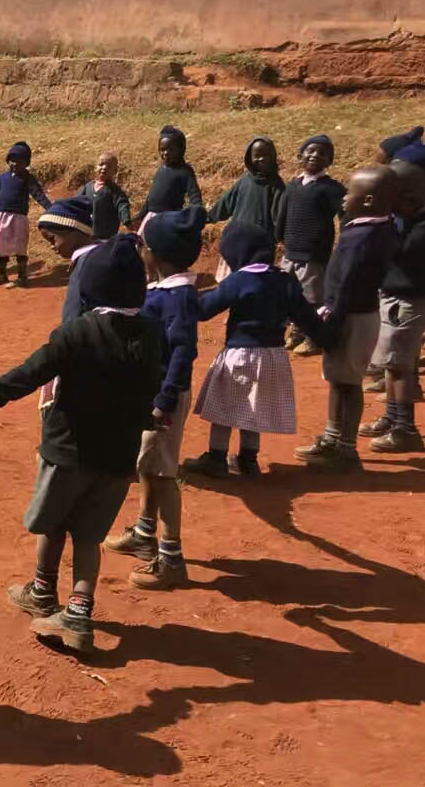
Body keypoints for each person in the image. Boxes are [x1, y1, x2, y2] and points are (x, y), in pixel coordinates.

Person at [0, 237, 165, 654]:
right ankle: (80, 615)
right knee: (88, 537)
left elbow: (25, 376)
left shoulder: (77, 333)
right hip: (119, 459)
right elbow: (149, 392)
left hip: (68, 452)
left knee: (53, 523)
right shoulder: (152, 335)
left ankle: (42, 591)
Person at [104, 207, 204, 591]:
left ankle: (172, 558)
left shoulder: (177, 296)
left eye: (143, 243)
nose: (139, 249)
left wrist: (164, 400)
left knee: (162, 475)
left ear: (157, 252)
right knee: (147, 465)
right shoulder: (163, 290)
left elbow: (183, 352)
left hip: (164, 397)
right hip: (152, 393)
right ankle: (145, 534)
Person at [182, 221, 330, 478]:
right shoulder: (285, 281)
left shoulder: (238, 280)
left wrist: (185, 295)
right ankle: (248, 460)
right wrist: (328, 338)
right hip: (273, 356)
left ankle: (216, 457)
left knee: (224, 407)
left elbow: (205, 311)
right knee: (254, 407)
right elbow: (306, 318)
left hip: (240, 354)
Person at [295, 167, 399, 471]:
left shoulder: (362, 237)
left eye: (349, 193)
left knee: (348, 384)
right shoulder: (379, 227)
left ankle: (346, 450)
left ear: (367, 200)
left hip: (350, 318)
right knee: (340, 381)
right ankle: (332, 439)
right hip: (357, 315)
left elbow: (345, 285)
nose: (343, 199)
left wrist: (329, 323)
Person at [360, 149, 425, 453]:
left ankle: (405, 429)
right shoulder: (411, 215)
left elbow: (402, 255)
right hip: (397, 297)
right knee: (393, 363)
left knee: (399, 366)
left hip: (411, 300)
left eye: (399, 195)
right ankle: (392, 417)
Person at [276, 135, 347, 353]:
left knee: (312, 298)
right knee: (288, 295)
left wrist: (346, 241)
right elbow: (282, 214)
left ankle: (313, 338)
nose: (315, 155)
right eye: (310, 151)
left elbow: (345, 215)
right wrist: (280, 236)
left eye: (323, 153)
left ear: (330, 161)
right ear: (300, 156)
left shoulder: (332, 188)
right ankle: (296, 333)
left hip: (314, 255)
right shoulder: (292, 186)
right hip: (290, 252)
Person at [0, 141, 51, 287]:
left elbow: (38, 194)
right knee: (1, 245)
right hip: (0, 215)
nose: (15, 164)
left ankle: (22, 276)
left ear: (26, 163)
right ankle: (2, 274)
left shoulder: (28, 178)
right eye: (12, 160)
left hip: (19, 217)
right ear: (8, 161)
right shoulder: (3, 177)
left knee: (19, 245)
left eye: (19, 161)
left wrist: (50, 208)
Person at [208, 136, 286, 281]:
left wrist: (282, 236)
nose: (261, 159)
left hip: (259, 246)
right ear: (249, 158)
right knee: (230, 282)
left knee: (254, 284)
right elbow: (225, 203)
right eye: (257, 155)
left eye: (266, 155)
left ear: (273, 156)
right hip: (237, 242)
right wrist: (207, 217)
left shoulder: (277, 185)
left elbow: (279, 216)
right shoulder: (244, 181)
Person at [36, 197, 100, 324]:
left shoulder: (83, 264)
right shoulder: (101, 255)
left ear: (72, 229)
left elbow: (73, 315)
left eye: (53, 239)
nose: (52, 247)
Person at [138, 125, 203, 224]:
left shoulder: (184, 171)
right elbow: (151, 198)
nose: (166, 153)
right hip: (151, 217)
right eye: (162, 149)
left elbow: (194, 195)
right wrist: (140, 215)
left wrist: (196, 214)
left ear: (181, 150)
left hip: (170, 219)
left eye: (171, 150)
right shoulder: (161, 169)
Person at [77, 153, 132, 240]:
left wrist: (126, 219)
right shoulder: (87, 187)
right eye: (101, 164)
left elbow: (122, 204)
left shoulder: (114, 191)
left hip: (106, 237)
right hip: (86, 233)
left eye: (109, 166)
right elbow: (76, 202)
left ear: (115, 171)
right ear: (95, 167)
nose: (104, 167)